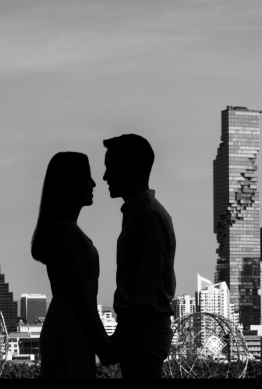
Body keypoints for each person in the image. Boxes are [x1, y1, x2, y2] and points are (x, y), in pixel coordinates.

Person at [31, 152, 112, 378]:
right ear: (72, 182)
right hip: (70, 332)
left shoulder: (64, 230)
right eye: (87, 176)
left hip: (71, 330)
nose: (93, 183)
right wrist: (103, 341)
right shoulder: (65, 230)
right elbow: (81, 294)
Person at [102, 134, 176, 378]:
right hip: (141, 330)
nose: (105, 177)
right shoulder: (140, 214)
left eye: (110, 168)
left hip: (143, 331)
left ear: (130, 168)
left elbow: (146, 291)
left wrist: (122, 340)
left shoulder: (148, 216)